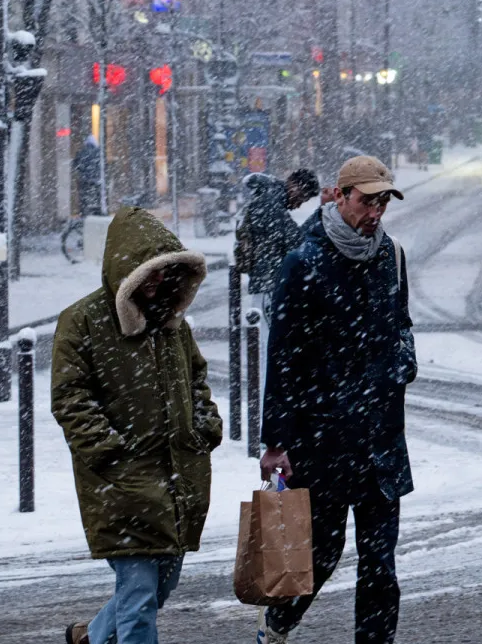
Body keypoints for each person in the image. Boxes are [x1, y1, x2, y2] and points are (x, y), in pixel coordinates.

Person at [259, 156, 416, 644]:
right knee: (319, 557)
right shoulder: (303, 262)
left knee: (379, 569)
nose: (375, 212)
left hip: (380, 437)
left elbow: (402, 322)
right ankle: (278, 624)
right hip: (322, 439)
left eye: (383, 201)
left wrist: (403, 361)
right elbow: (283, 355)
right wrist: (275, 441)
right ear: (340, 196)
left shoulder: (391, 255)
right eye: (367, 201)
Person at [51, 208, 218, 644]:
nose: (156, 283)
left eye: (164, 273)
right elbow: (70, 397)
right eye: (149, 273)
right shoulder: (83, 321)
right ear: (126, 270)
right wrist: (107, 450)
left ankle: (92, 636)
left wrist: (205, 425)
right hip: (122, 483)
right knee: (141, 598)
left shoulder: (171, 325)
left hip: (177, 477)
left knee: (159, 588)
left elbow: (196, 377)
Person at [236, 169, 320, 297]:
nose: (298, 205)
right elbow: (295, 241)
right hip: (267, 283)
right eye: (301, 198)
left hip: (266, 280)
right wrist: (319, 217)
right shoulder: (270, 203)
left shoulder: (269, 197)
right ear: (293, 184)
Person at [74, 135, 105, 217]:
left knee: (84, 198)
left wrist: (82, 172)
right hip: (96, 180)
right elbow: (101, 165)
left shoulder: (82, 152)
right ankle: (97, 212)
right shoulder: (99, 152)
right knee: (97, 197)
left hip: (84, 180)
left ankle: (84, 212)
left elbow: (76, 165)